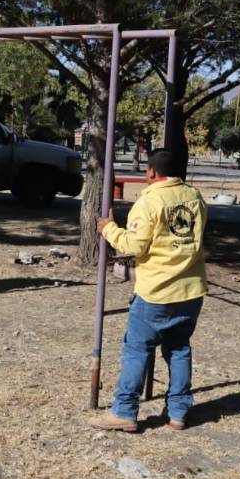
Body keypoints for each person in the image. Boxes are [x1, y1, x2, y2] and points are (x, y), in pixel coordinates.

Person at [87, 149, 208, 433]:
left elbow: (134, 246)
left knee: (137, 349)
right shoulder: (196, 197)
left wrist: (109, 229)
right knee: (179, 349)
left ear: (152, 172)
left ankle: (124, 411)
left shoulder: (149, 201)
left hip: (156, 291)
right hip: (191, 291)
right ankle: (178, 412)